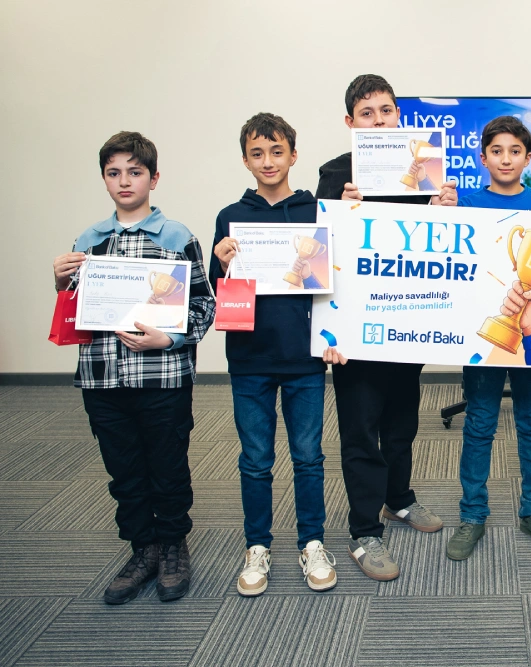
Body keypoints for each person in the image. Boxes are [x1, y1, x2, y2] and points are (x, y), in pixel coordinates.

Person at [53, 131, 215, 604]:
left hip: (163, 379)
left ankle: (173, 546)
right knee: (123, 469)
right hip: (102, 378)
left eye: (135, 172)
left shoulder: (178, 237)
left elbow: (204, 305)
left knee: (167, 466)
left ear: (154, 178)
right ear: (104, 180)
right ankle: (142, 548)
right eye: (114, 173)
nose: (125, 181)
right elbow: (76, 309)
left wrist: (171, 338)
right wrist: (60, 282)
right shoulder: (88, 241)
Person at [316, 74, 456, 582]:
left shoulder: (424, 170)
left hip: (406, 322)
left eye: (387, 110)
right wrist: (343, 209)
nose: (379, 120)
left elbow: (437, 245)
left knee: (402, 423)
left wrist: (444, 210)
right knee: (361, 430)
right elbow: (320, 252)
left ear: (399, 115)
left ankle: (399, 499)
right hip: (356, 332)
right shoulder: (335, 175)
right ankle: (363, 531)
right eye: (367, 113)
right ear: (350, 122)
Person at [209, 113, 336, 597]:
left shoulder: (316, 213)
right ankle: (257, 546)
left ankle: (312, 543)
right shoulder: (229, 217)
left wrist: (333, 336)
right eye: (257, 153)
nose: (267, 161)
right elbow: (220, 292)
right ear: (245, 160)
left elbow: (332, 285)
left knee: (308, 457)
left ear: (293, 156)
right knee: (256, 460)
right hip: (250, 357)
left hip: (304, 358)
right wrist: (221, 265)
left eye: (276, 151)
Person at [445, 115, 531, 561]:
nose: (505, 159)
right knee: (479, 422)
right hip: (482, 335)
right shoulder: (465, 203)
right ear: (483, 158)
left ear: (528, 158)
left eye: (515, 151)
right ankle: (472, 514)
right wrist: (440, 213)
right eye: (496, 151)